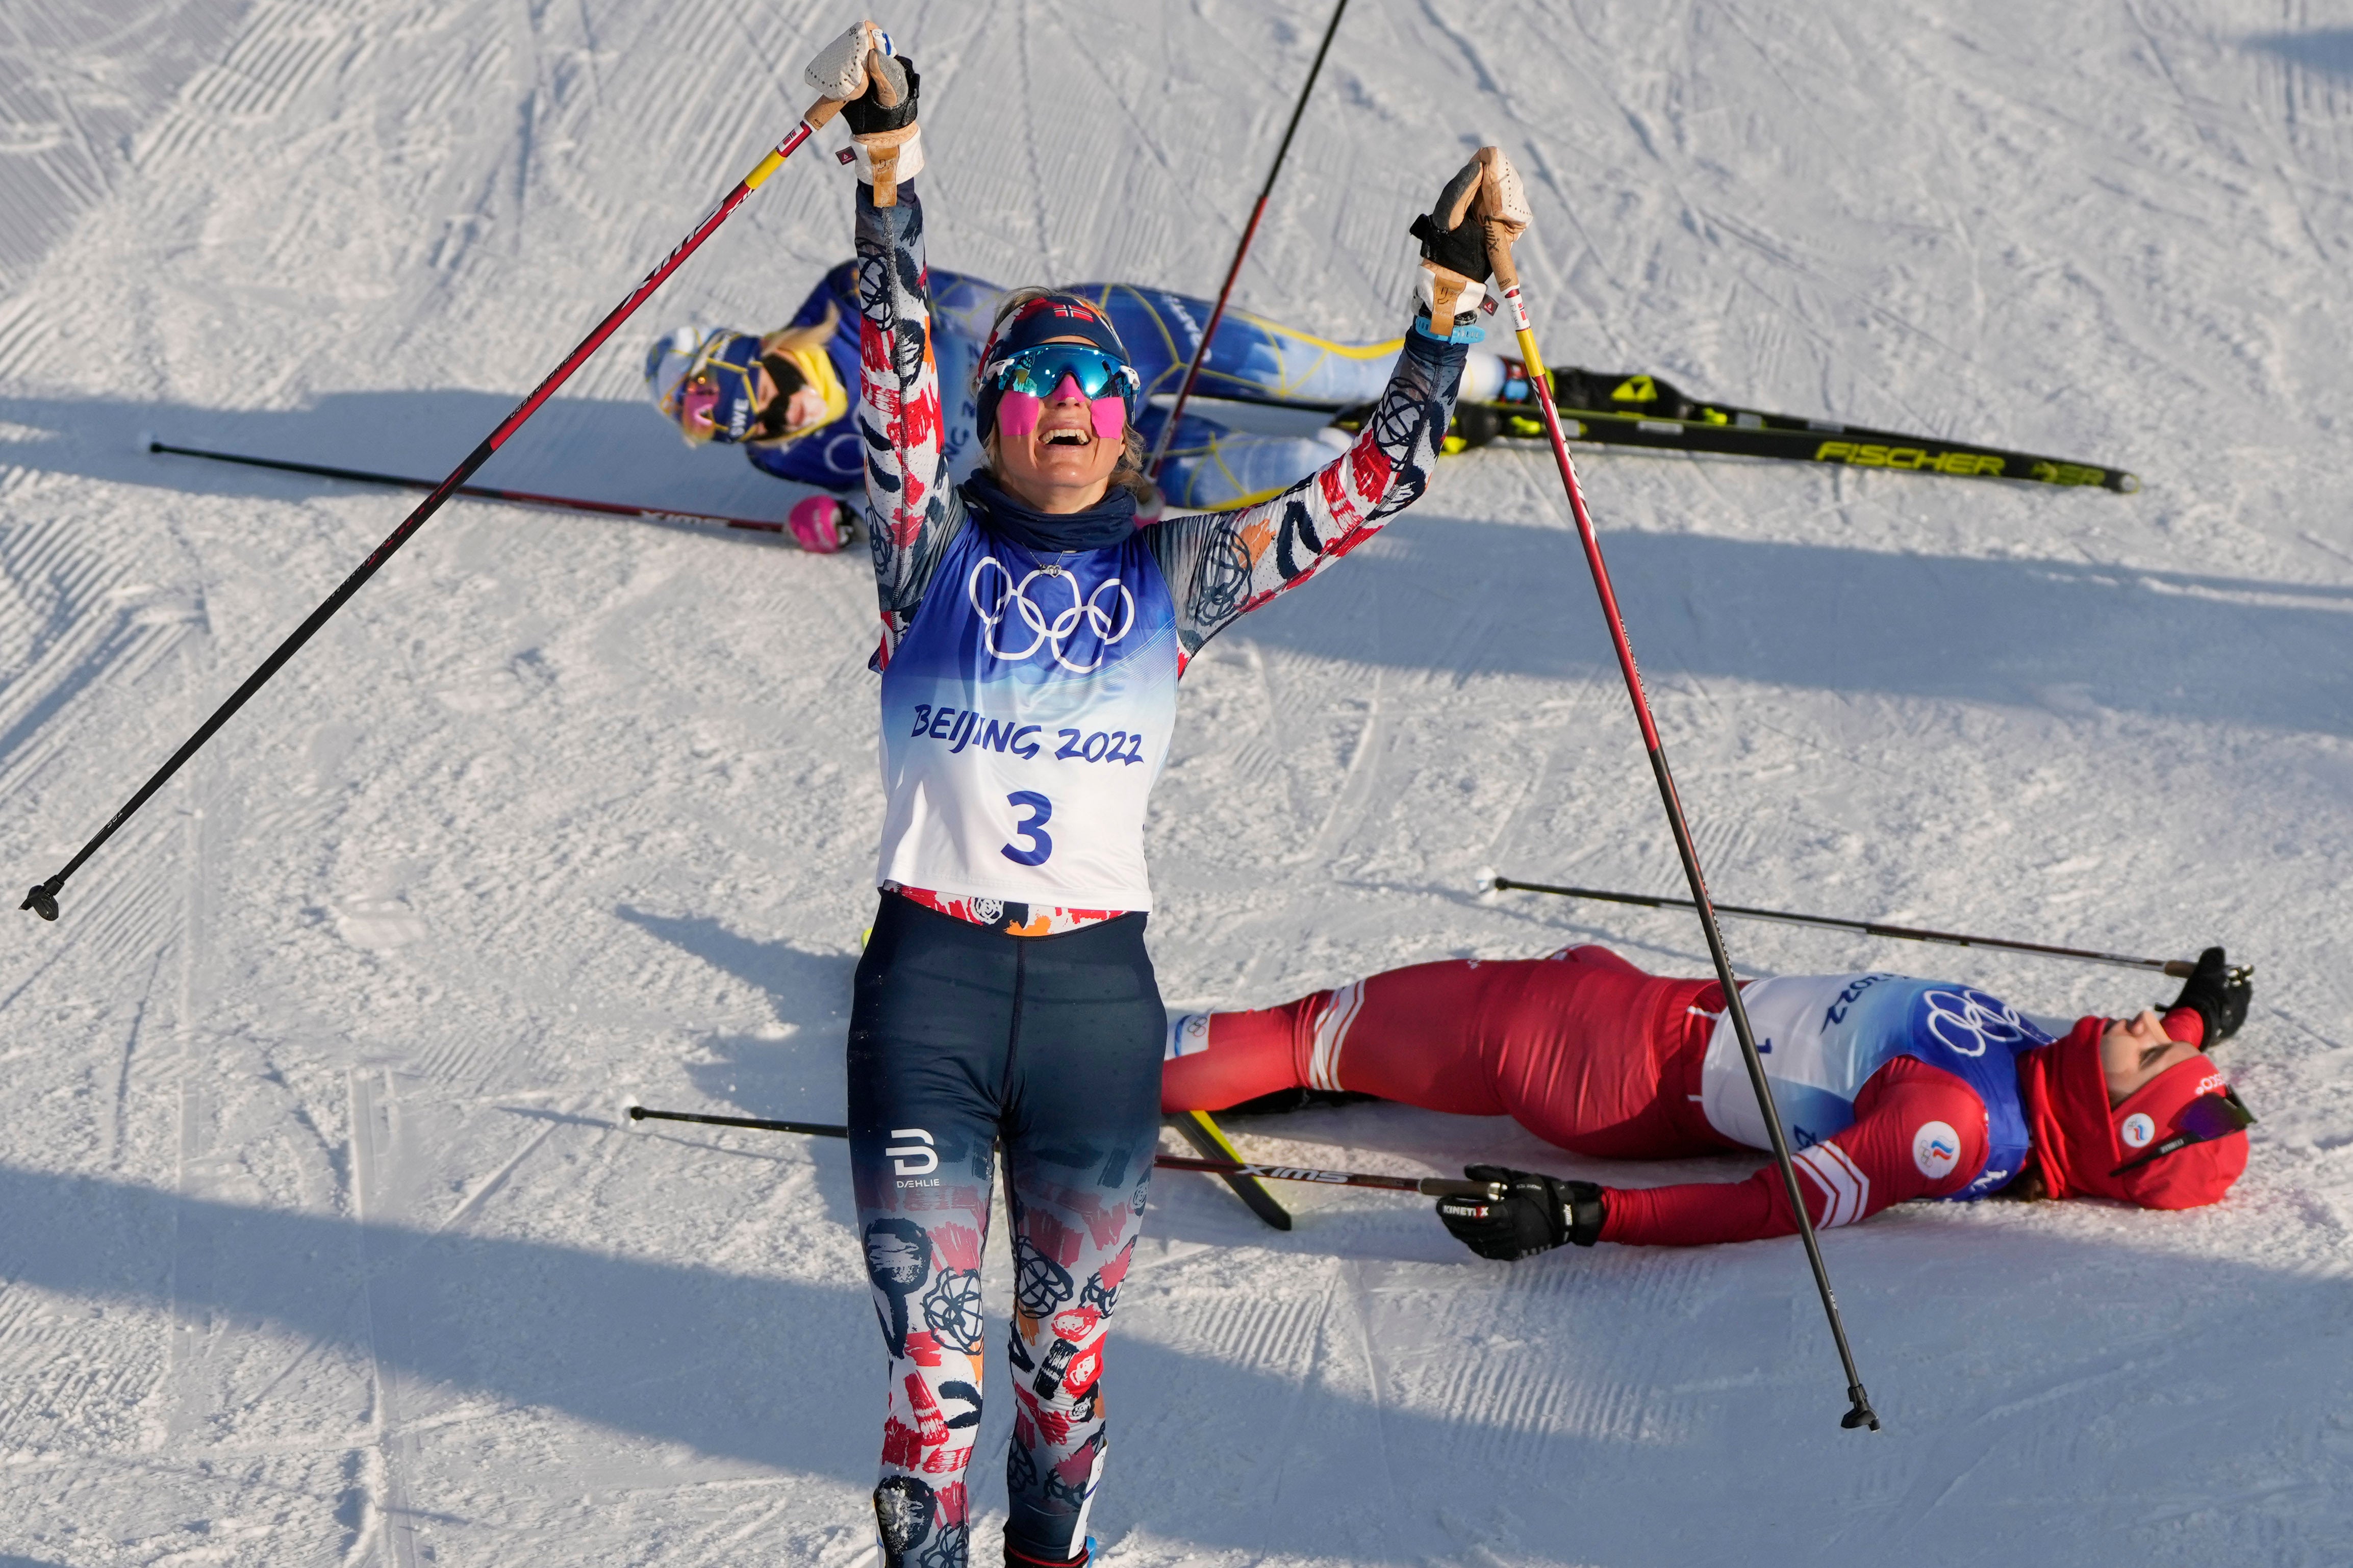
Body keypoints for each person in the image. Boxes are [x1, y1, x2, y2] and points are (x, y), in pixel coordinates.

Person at [813, 24, 1529, 1568]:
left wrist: (1447, 309)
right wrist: (889, 173)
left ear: (1128, 425)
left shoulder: (1174, 574)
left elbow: (1368, 487)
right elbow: (888, 375)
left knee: (1057, 1382)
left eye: (1096, 381)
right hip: (928, 988)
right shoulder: (926, 553)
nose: (1068, 397)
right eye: (1033, 379)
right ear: (994, 414)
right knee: (929, 1379)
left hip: (1089, 1002)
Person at [1159, 942, 2255, 1257]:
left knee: (1312, 1026)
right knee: (1356, 1038)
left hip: (1594, 1052)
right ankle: (1320, 1072)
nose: (2152, 1025)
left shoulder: (1950, 1127)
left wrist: (1583, 1215)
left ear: (2128, 1124)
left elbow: (1774, 1204)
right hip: (1627, 1008)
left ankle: (1062, 1070)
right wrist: (2203, 1023)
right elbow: (2159, 1111)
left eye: (2159, 1051)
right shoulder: (2055, 1072)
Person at [644, 221, 1545, 517]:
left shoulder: (848, 295)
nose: (765, 423)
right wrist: (845, 526)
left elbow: (990, 310)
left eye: (748, 400)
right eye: (734, 431)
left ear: (752, 352)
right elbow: (894, 503)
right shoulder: (779, 455)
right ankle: (1401, 438)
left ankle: (1492, 379)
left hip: (1110, 334)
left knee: (1338, 373)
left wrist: (965, 403)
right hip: (1068, 449)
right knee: (1295, 469)